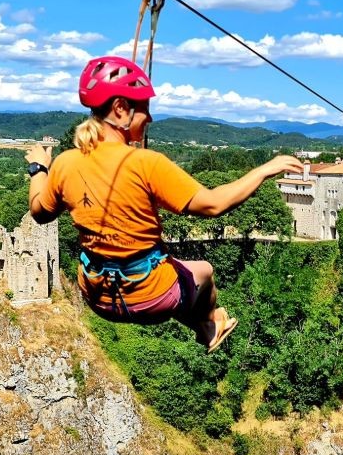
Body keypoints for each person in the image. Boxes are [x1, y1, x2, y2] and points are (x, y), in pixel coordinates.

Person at [25, 56, 302, 352]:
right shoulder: (147, 163)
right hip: (152, 298)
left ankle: (207, 325)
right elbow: (213, 205)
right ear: (120, 109)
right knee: (204, 271)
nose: (150, 118)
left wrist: (39, 169)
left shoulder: (66, 163)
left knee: (176, 275)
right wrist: (263, 170)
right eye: (144, 108)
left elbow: (39, 213)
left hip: (98, 296)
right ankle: (207, 324)